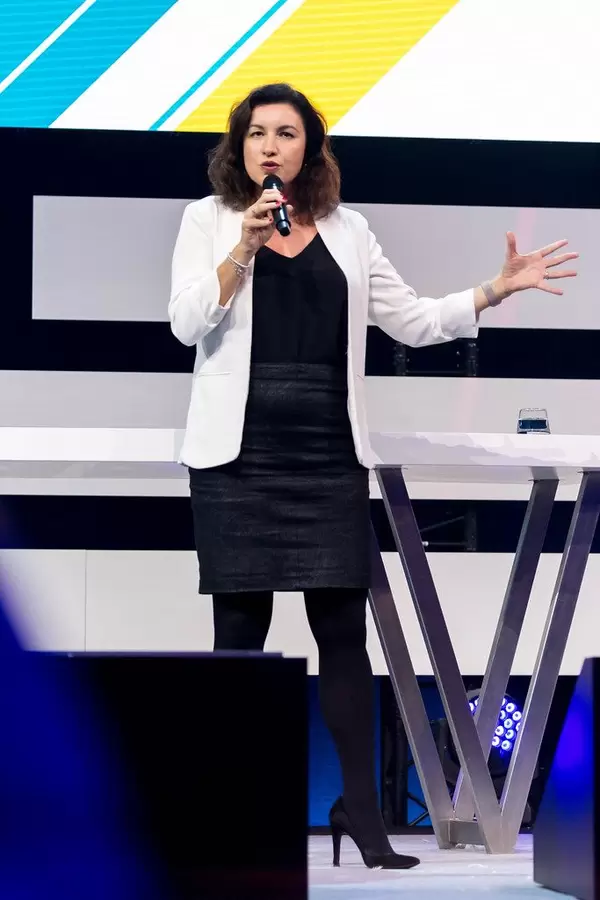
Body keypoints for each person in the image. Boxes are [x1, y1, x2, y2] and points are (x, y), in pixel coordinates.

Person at [169, 83, 578, 869]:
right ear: (239, 147)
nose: (269, 147)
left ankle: (363, 815)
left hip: (325, 451)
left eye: (286, 134)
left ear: (309, 147)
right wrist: (244, 247)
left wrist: (495, 289)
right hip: (239, 455)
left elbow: (413, 321)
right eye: (256, 134)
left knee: (343, 640)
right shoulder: (209, 220)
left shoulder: (351, 231)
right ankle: (232, 818)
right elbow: (188, 322)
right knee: (239, 640)